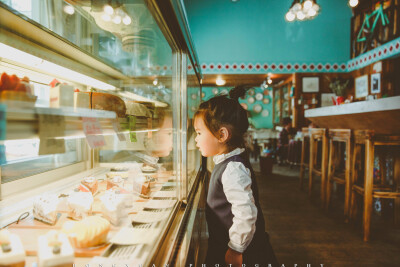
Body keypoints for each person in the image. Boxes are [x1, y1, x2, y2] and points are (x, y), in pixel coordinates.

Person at [193, 90, 278, 266]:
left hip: (243, 253)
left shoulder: (232, 169)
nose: (195, 139)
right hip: (227, 246)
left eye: (199, 133)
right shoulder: (228, 163)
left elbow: (246, 213)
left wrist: (235, 249)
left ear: (222, 135)